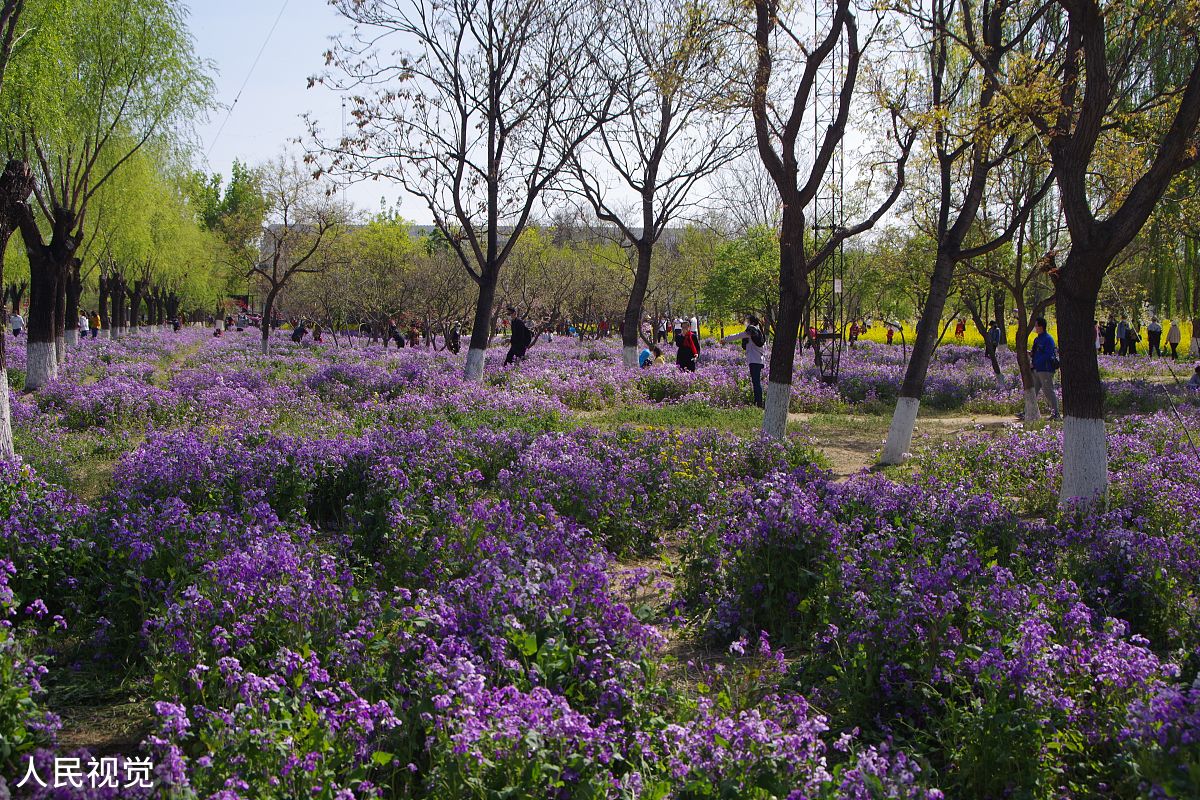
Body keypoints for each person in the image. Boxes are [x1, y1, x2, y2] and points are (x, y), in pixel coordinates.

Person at [722, 315, 766, 407]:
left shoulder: (751, 330)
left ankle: (759, 403)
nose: (745, 323)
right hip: (759, 360)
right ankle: (757, 401)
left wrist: (725, 339)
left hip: (754, 361)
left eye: (747, 321)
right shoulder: (759, 331)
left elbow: (738, 335)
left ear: (751, 322)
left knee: (756, 382)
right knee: (756, 382)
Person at [1030, 316, 1060, 420]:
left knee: (1048, 391)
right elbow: (1036, 353)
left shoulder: (1048, 339)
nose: (1034, 327)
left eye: (1036, 325)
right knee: (1033, 391)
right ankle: (1029, 411)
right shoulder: (1037, 339)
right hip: (1036, 370)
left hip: (1045, 370)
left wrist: (1036, 363)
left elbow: (1048, 355)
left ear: (1041, 326)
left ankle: (1056, 414)